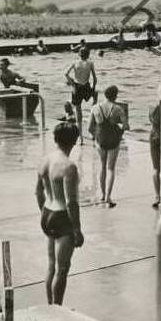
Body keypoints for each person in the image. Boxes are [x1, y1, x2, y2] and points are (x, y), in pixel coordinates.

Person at [35, 123, 84, 306]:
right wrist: (77, 230)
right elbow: (71, 203)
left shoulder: (45, 160)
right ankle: (57, 309)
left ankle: (50, 305)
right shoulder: (68, 167)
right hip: (62, 217)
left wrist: (44, 213)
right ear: (74, 141)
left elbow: (38, 192)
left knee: (51, 265)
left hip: (47, 212)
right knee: (62, 269)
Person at [88, 85, 128, 208]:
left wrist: (96, 137)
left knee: (102, 167)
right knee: (111, 168)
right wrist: (120, 128)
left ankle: (102, 194)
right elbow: (126, 126)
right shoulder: (118, 109)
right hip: (113, 140)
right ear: (115, 95)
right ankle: (108, 197)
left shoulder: (95, 108)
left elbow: (90, 128)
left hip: (101, 140)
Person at [64, 46, 97, 142]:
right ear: (88, 55)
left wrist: (72, 83)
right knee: (95, 97)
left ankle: (81, 137)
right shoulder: (90, 63)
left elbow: (66, 74)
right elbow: (95, 79)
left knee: (78, 111)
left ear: (79, 54)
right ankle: (92, 124)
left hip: (77, 87)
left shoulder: (75, 63)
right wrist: (93, 88)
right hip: (86, 87)